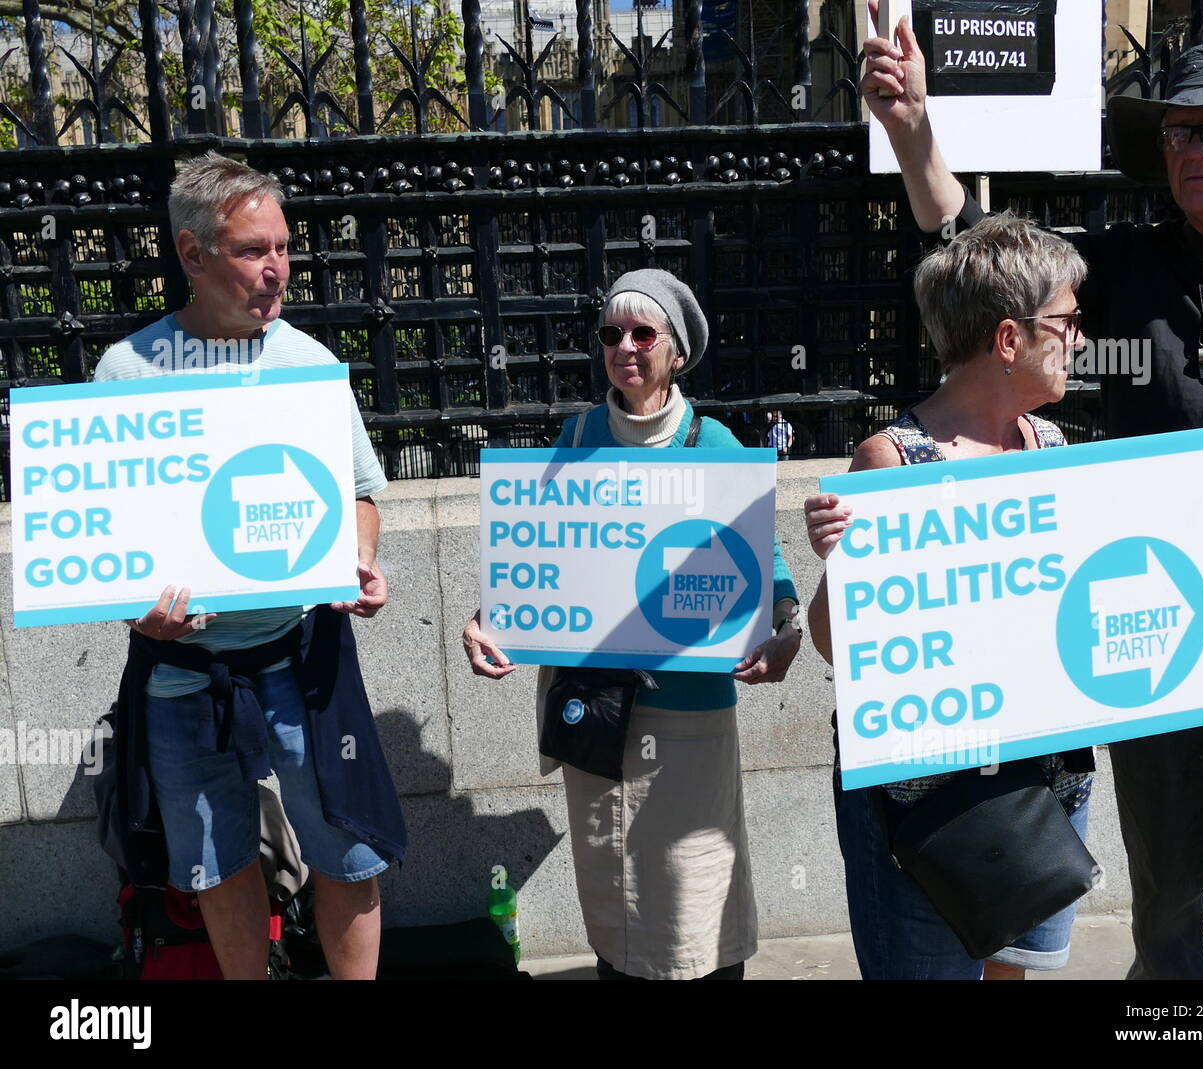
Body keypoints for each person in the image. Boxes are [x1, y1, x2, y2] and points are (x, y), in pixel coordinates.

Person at [860, 1, 1203, 979]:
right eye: (1179, 131)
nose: (1193, 148)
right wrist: (915, 131)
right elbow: (987, 260)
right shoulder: (1129, 273)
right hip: (1161, 642)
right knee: (1169, 915)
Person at [95, 151, 405, 980]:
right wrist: (136, 606)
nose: (278, 269)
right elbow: (108, 540)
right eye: (253, 250)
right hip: (183, 673)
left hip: (302, 659)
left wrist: (360, 556)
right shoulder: (126, 374)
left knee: (348, 847)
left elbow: (364, 494)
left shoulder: (308, 363)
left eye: (284, 246)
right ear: (192, 255)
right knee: (217, 862)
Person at [463, 268, 802, 979]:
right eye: (611, 333)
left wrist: (788, 625)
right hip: (600, 709)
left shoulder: (715, 446)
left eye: (642, 332)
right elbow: (535, 551)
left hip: (691, 712)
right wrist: (485, 619)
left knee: (695, 886)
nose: (625, 346)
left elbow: (764, 556)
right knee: (614, 886)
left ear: (675, 350)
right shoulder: (577, 435)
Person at [804, 213, 1098, 979]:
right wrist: (841, 561)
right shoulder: (893, 459)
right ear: (1009, 339)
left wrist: (1190, 552)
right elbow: (837, 644)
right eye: (1066, 322)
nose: (1079, 339)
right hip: (931, 803)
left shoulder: (1057, 448)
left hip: (1046, 781)